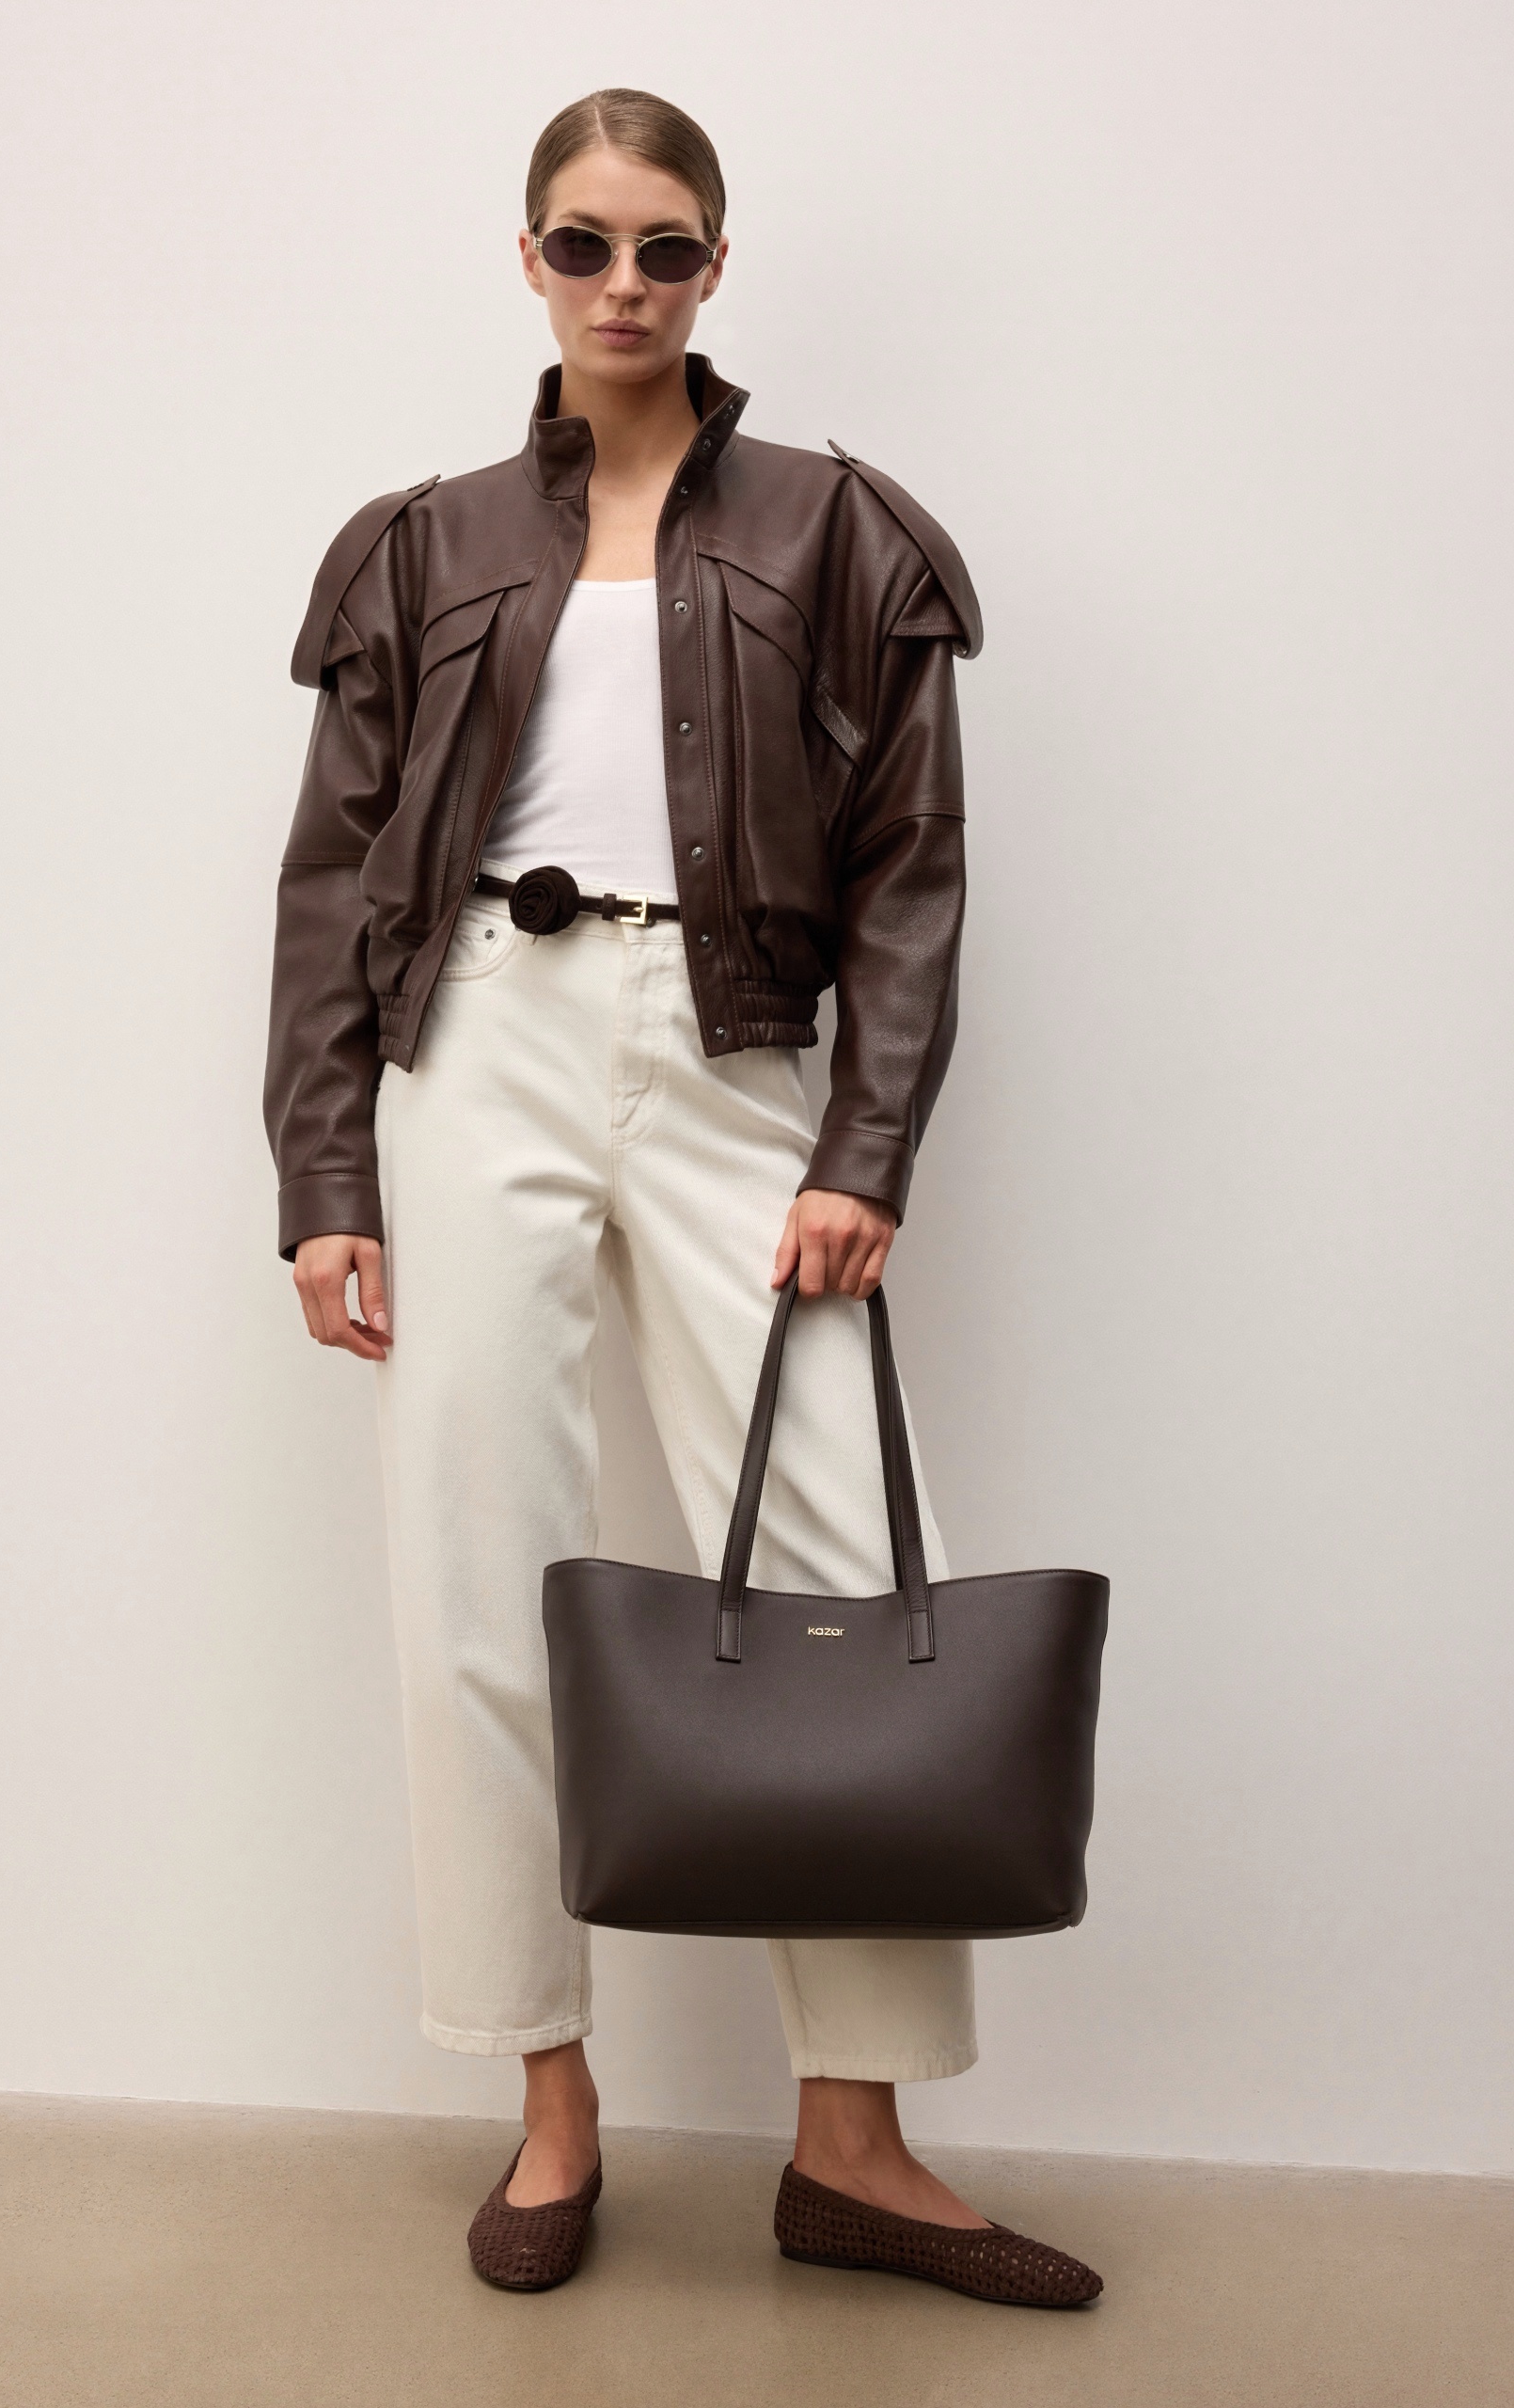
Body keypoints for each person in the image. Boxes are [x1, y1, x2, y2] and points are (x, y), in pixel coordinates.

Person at [264, 87, 1101, 2308]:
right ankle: (549, 2103)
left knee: (844, 1563)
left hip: (743, 1054)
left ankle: (857, 2139)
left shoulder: (840, 526)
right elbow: (338, 872)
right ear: (528, 258)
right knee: (479, 1567)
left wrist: (866, 1146)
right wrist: (329, 1167)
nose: (622, 282)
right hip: (479, 1046)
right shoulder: (422, 543)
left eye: (663, 246)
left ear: (716, 265)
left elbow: (912, 869)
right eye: (583, 242)